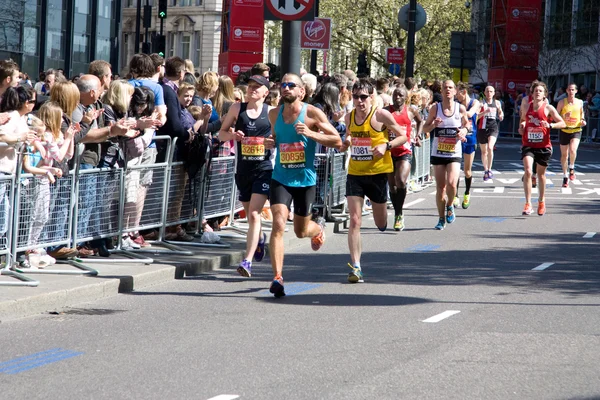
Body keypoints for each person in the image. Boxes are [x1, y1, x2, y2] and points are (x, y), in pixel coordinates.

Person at [264, 73, 341, 297]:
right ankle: (277, 277)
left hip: (305, 179)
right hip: (281, 177)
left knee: (300, 231)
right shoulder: (273, 114)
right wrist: (271, 142)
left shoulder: (312, 113)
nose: (285, 88)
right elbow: (276, 138)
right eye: (282, 85)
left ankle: (317, 229)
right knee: (278, 224)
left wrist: (310, 134)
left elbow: (336, 139)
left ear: (302, 92)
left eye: (291, 85)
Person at [339, 79, 408, 282]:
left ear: (371, 97)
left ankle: (386, 216)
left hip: (378, 174)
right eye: (356, 96)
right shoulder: (349, 117)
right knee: (354, 220)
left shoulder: (381, 115)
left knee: (380, 222)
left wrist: (386, 146)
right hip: (356, 174)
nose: (359, 101)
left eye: (363, 97)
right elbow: (350, 135)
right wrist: (347, 142)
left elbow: (403, 136)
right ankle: (356, 266)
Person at [219, 75, 273, 277]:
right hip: (243, 170)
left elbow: (278, 138)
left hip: (263, 169)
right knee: (252, 218)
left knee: (253, 215)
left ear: (266, 92)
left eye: (257, 87)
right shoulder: (236, 109)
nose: (252, 90)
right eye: (250, 86)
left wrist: (272, 142)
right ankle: (259, 239)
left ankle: (247, 261)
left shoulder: (271, 113)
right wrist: (233, 136)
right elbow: (221, 134)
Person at [422, 80, 469, 230]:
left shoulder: (460, 108)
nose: (447, 90)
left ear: (455, 91)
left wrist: (464, 131)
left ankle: (450, 205)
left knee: (452, 184)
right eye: (445, 88)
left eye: (450, 88)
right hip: (438, 152)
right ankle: (441, 218)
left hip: (454, 152)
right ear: (441, 91)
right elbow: (425, 128)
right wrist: (434, 125)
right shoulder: (435, 108)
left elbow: (467, 124)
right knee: (440, 187)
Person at [518, 81, 566, 216]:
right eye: (535, 91)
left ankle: (541, 200)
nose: (538, 93)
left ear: (544, 94)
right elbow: (523, 119)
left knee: (541, 174)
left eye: (540, 91)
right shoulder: (527, 106)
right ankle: (528, 203)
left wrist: (550, 126)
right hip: (528, 144)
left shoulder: (548, 108)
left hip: (543, 146)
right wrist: (521, 126)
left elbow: (562, 123)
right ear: (532, 94)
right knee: (528, 171)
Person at [385, 85, 422, 231]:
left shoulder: (411, 111)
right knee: (392, 186)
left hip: (404, 151)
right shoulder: (387, 111)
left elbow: (420, 121)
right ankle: (397, 212)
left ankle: (399, 214)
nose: (397, 97)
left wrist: (417, 135)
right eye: (395, 95)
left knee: (400, 180)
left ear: (405, 97)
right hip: (388, 152)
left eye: (400, 95)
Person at [454, 82, 480, 209]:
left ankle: (467, 193)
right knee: (455, 170)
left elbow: (469, 114)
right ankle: (455, 195)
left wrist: (459, 113)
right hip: (458, 139)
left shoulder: (475, 102)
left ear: (464, 92)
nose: (456, 96)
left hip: (470, 139)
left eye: (457, 93)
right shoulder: (456, 104)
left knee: (467, 171)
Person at [557, 83, 586, 188]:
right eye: (569, 89)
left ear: (576, 91)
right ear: (566, 91)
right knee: (564, 155)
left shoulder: (580, 102)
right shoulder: (562, 102)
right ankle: (565, 176)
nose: (571, 91)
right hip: (564, 130)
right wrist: (564, 116)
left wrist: (582, 120)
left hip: (576, 129)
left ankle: (572, 168)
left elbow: (581, 113)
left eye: (573, 89)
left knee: (573, 150)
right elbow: (556, 116)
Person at [477, 85, 503, 181]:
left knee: (490, 147)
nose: (489, 93)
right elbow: (476, 117)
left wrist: (501, 116)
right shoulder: (480, 103)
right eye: (487, 91)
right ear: (484, 92)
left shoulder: (497, 103)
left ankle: (490, 169)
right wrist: (484, 112)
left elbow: (500, 112)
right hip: (482, 128)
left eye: (491, 91)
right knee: (484, 152)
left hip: (493, 127)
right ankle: (486, 169)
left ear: (494, 93)